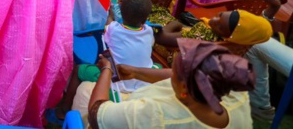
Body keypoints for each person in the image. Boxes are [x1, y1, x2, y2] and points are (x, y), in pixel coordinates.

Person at [87, 39, 254, 128]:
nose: (171, 72)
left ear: (183, 88)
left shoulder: (158, 115)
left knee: (84, 90)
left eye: (175, 69)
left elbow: (96, 112)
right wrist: (136, 72)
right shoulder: (235, 92)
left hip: (118, 116)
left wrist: (107, 70)